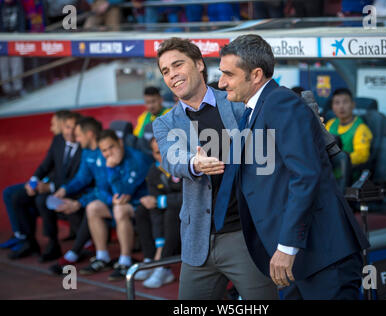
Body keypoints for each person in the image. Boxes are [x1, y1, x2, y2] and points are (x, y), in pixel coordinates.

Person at [216, 34, 370, 300]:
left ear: (255, 75)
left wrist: (287, 247)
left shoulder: (280, 102)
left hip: (321, 254)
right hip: (299, 261)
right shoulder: (254, 109)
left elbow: (305, 176)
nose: (221, 82)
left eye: (228, 74)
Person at [152, 37, 278, 299]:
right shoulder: (164, 123)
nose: (172, 74)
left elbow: (275, 119)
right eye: (165, 71)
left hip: (244, 235)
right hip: (198, 241)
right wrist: (194, 163)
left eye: (177, 65)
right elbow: (172, 158)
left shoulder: (237, 100)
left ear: (199, 64)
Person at [8, 111, 83, 261]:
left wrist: (51, 188)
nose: (70, 131)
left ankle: (53, 244)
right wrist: (33, 182)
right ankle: (29, 242)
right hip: (54, 187)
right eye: (67, 127)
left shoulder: (84, 147)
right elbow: (45, 165)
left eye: (74, 127)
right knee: (17, 197)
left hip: (72, 191)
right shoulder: (58, 140)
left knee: (42, 199)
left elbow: (79, 179)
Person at [78, 129, 149, 281]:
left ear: (120, 143)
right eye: (104, 150)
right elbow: (101, 188)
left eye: (111, 147)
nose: (109, 153)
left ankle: (125, 261)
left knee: (119, 209)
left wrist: (111, 169)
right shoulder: (105, 160)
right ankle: (102, 257)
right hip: (120, 203)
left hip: (141, 204)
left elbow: (124, 192)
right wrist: (111, 200)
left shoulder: (137, 159)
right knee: (93, 207)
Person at [48, 116, 103, 274]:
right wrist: (64, 190)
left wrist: (79, 203)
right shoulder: (87, 152)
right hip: (99, 194)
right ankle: (85, 244)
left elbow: (105, 189)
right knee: (68, 200)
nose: (76, 139)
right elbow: (82, 178)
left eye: (79, 135)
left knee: (88, 206)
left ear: (90, 134)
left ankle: (75, 251)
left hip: (112, 197)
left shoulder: (104, 151)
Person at [134, 137, 182, 288]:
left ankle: (163, 266)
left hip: (187, 211)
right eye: (157, 153)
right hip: (167, 210)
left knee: (171, 211)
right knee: (142, 210)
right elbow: (154, 209)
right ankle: (150, 258)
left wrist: (162, 201)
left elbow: (190, 196)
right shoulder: (154, 171)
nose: (162, 156)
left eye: (164, 151)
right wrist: (159, 242)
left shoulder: (184, 165)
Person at [325, 88, 373, 171]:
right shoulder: (330, 123)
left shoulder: (361, 128)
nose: (341, 106)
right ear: (332, 107)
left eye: (345, 102)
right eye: (337, 103)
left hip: (347, 173)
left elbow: (362, 156)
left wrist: (338, 160)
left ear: (353, 105)